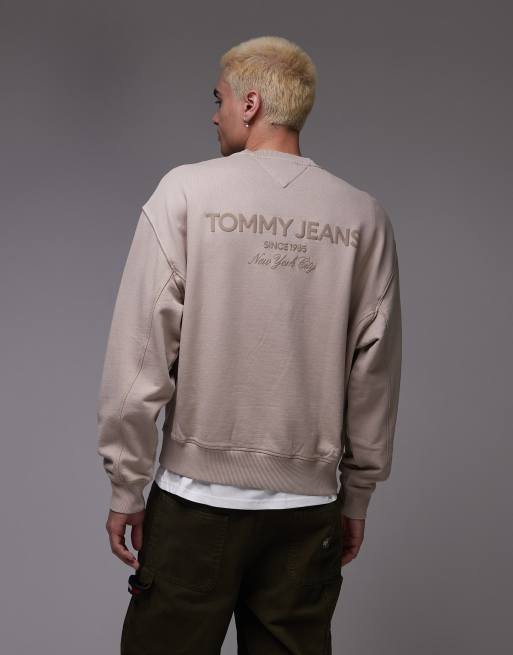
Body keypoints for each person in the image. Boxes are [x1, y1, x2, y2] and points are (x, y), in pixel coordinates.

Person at [97, 34, 402, 655]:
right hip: (308, 510)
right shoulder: (363, 217)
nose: (215, 115)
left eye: (219, 99)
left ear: (251, 103)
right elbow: (374, 375)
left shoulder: (185, 193)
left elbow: (138, 361)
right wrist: (358, 494)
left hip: (196, 505)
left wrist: (127, 484)